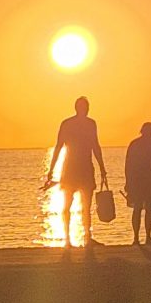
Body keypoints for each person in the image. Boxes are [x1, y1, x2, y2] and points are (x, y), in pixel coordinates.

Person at [45, 96, 107, 248]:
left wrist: (102, 167)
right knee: (73, 204)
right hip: (74, 169)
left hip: (79, 168)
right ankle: (71, 239)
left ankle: (83, 237)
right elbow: (59, 146)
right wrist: (51, 169)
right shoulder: (75, 124)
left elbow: (95, 146)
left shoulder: (83, 124)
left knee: (82, 205)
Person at [124, 122, 151, 246]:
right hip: (149, 180)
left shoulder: (134, 144)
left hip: (136, 180)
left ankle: (136, 238)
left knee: (137, 208)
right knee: (149, 208)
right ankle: (148, 236)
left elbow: (128, 165)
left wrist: (128, 182)